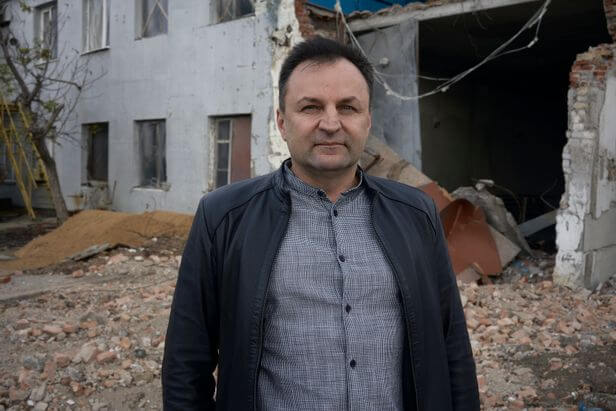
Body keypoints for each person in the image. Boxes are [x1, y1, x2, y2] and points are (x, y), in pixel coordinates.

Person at [162, 36, 480, 411]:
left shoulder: (416, 214)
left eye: (348, 107)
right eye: (311, 107)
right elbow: (186, 364)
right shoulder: (224, 218)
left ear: (368, 120)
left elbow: (452, 346)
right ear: (282, 122)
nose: (331, 124)